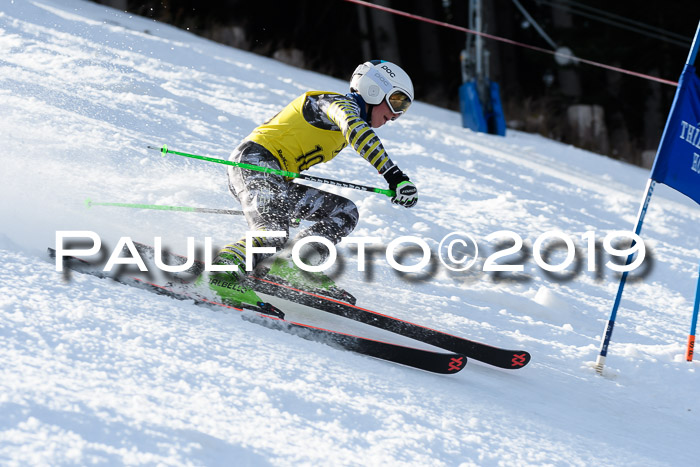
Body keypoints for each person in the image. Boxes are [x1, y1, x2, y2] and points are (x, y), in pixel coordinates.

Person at [207, 60, 418, 305]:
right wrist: (394, 176)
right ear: (374, 89)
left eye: (404, 108)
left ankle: (291, 264)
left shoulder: (347, 123)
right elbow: (356, 129)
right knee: (273, 232)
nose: (395, 115)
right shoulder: (333, 104)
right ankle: (224, 270)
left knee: (345, 212)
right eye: (396, 101)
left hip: (277, 179)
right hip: (253, 164)